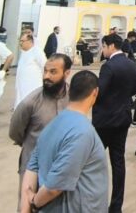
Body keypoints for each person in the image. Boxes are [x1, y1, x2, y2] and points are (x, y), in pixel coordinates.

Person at [20, 71, 108, 213]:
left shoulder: (52, 125)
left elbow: (32, 168)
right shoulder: (82, 132)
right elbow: (55, 186)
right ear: (95, 92)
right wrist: (35, 202)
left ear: (70, 91)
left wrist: (25, 209)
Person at [10, 54, 71, 209]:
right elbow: (15, 132)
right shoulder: (30, 102)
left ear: (67, 73)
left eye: (53, 72)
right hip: (33, 168)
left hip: (62, 166)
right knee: (27, 205)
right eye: (45, 71)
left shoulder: (74, 98)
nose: (46, 76)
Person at [93, 34, 136, 213]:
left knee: (92, 160)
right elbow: (133, 90)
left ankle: (91, 201)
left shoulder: (108, 66)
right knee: (118, 162)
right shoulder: (131, 64)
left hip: (104, 120)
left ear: (111, 46)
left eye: (103, 46)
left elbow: (99, 93)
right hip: (123, 118)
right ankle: (116, 205)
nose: (102, 50)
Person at [14, 33, 48, 108]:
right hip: (21, 86)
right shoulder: (24, 52)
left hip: (33, 86)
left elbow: (45, 66)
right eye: (20, 41)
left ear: (30, 41)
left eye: (22, 41)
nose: (20, 43)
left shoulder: (37, 51)